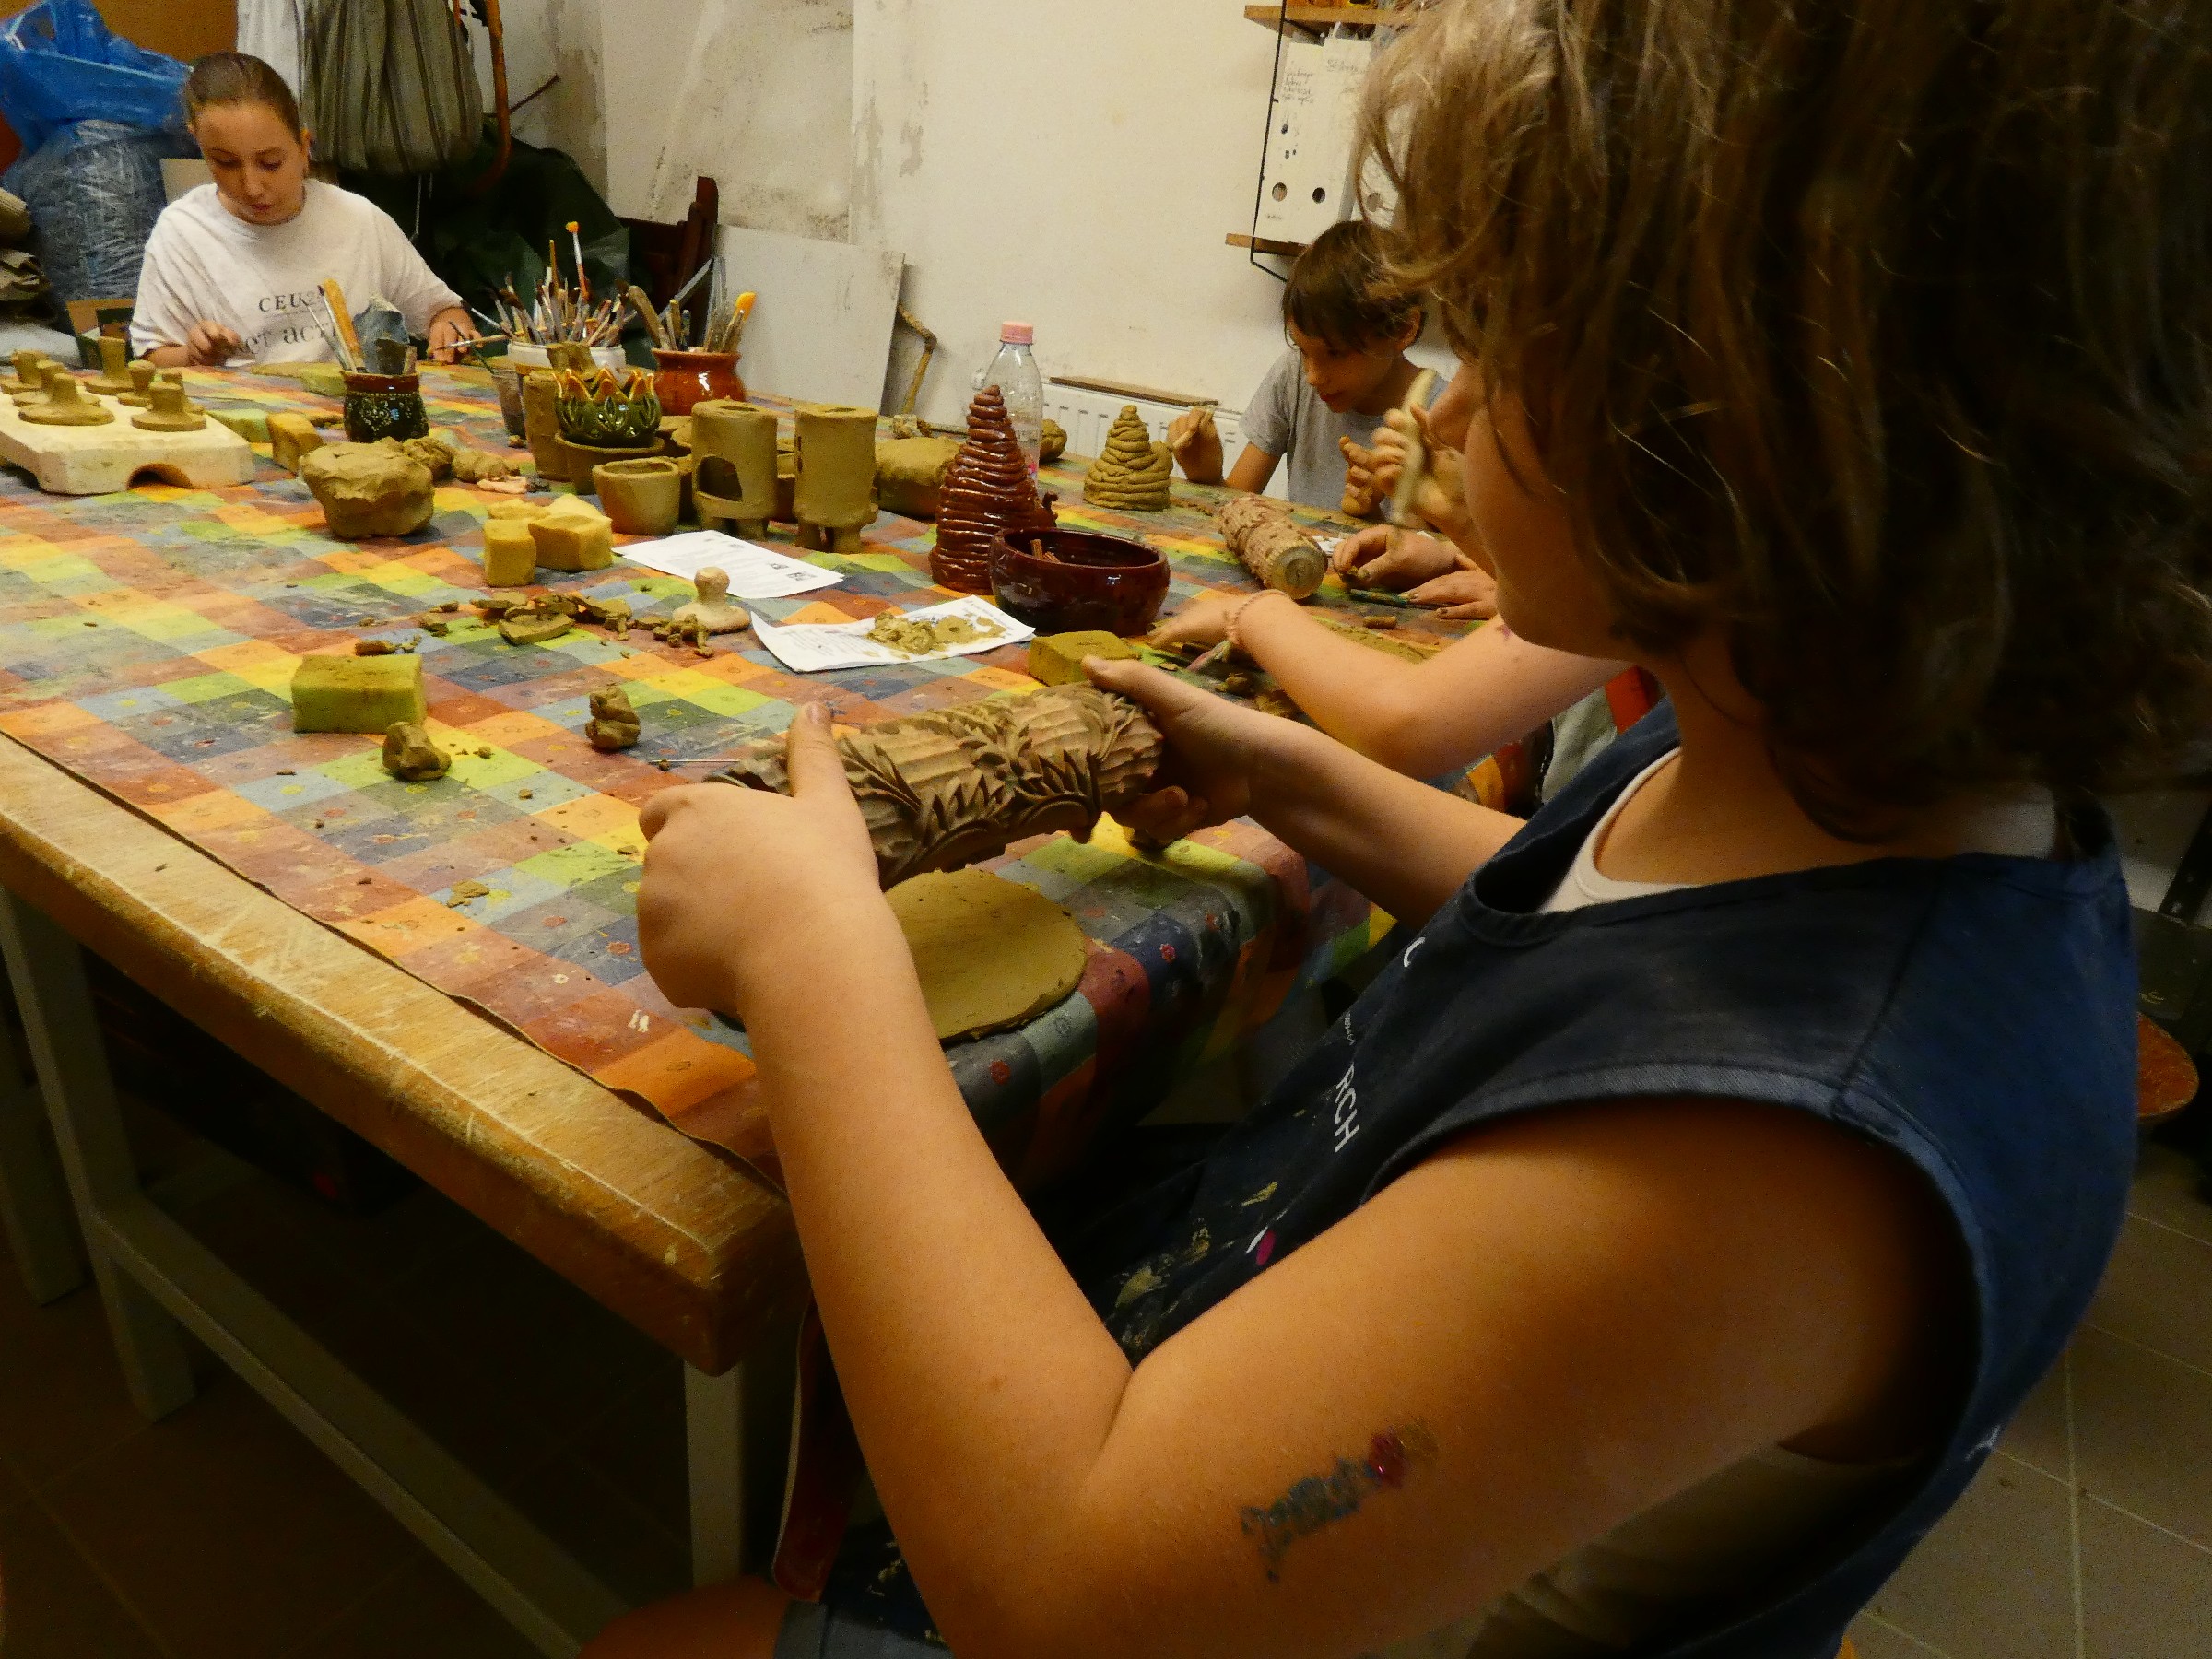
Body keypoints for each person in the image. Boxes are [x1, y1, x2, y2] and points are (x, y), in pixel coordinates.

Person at [598, 1, 2206, 1654]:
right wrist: (1281, 775)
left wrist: (816, 958)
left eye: (1502, 344)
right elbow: (1589, 944)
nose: (1444, 414)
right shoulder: (1814, 767)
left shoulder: (1776, 1167)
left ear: (1737, 432)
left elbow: (1072, 1606)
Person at [130, 53, 477, 369]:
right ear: (199, 143)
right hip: (240, 411)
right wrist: (193, 356)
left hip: (351, 406)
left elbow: (442, 311)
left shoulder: (358, 219)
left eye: (271, 163)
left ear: (303, 147)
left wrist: (450, 328)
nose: (252, 187)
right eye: (225, 162)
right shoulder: (182, 232)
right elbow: (152, 356)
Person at [1169, 219, 1433, 516]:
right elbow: (1235, 507)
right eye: (1303, 351)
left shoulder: (1442, 416)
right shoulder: (1292, 375)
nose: (1313, 376)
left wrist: (1373, 517)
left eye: (1335, 353)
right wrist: (1207, 476)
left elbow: (1442, 542)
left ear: (1404, 329)